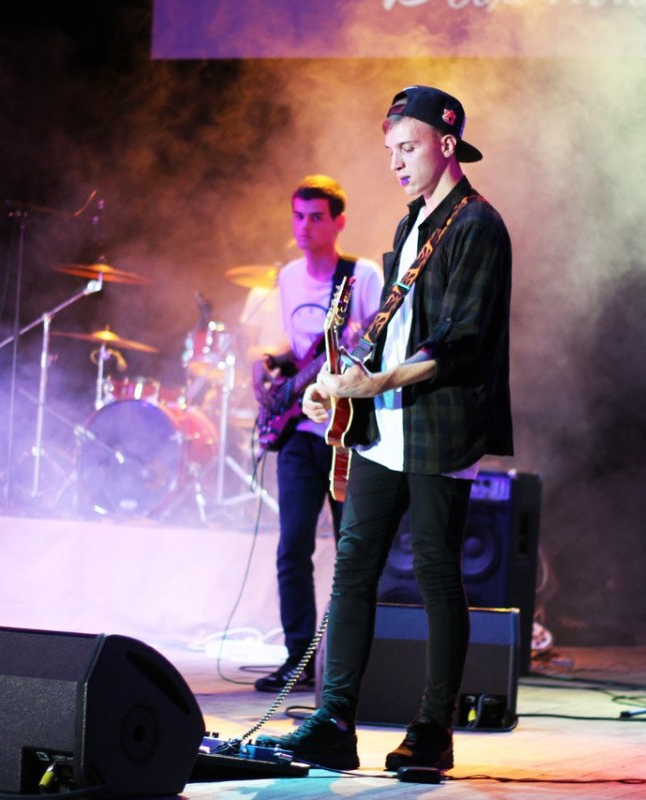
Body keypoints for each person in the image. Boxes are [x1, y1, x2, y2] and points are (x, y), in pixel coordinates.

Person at [257, 86, 513, 772]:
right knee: (354, 566)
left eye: (408, 147)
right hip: (384, 426)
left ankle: (432, 731)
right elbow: (389, 329)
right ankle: (333, 721)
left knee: (435, 571)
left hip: (441, 425)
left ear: (447, 144)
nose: (396, 162)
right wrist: (336, 385)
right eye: (390, 150)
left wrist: (375, 384)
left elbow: (460, 342)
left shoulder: (477, 226)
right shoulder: (410, 226)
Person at [250, 175, 384, 693]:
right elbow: (300, 347)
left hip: (347, 432)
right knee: (292, 549)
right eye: (297, 216)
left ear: (338, 222)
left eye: (315, 217)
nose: (303, 227)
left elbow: (376, 344)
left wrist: (355, 354)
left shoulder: (362, 276)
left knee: (354, 552)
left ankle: (349, 668)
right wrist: (270, 363)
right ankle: (298, 659)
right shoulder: (288, 277)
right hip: (299, 433)